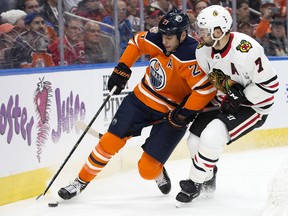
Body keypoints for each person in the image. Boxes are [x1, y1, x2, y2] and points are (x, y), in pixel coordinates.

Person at [57, 9, 216, 200]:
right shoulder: (158, 38)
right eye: (163, 36)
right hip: (140, 101)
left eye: (170, 37)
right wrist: (122, 69)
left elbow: (205, 90)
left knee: (146, 171)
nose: (164, 41)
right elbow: (136, 42)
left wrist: (184, 114)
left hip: (172, 114)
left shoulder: (193, 55)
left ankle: (157, 170)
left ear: (183, 35)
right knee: (108, 143)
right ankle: (80, 182)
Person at [175, 5, 279, 206]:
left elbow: (271, 86)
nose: (199, 35)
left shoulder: (247, 50)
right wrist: (227, 91)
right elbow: (214, 77)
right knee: (194, 142)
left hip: (255, 106)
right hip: (225, 99)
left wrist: (242, 97)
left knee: (212, 136)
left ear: (218, 31)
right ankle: (208, 175)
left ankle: (194, 183)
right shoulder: (203, 51)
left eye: (203, 31)